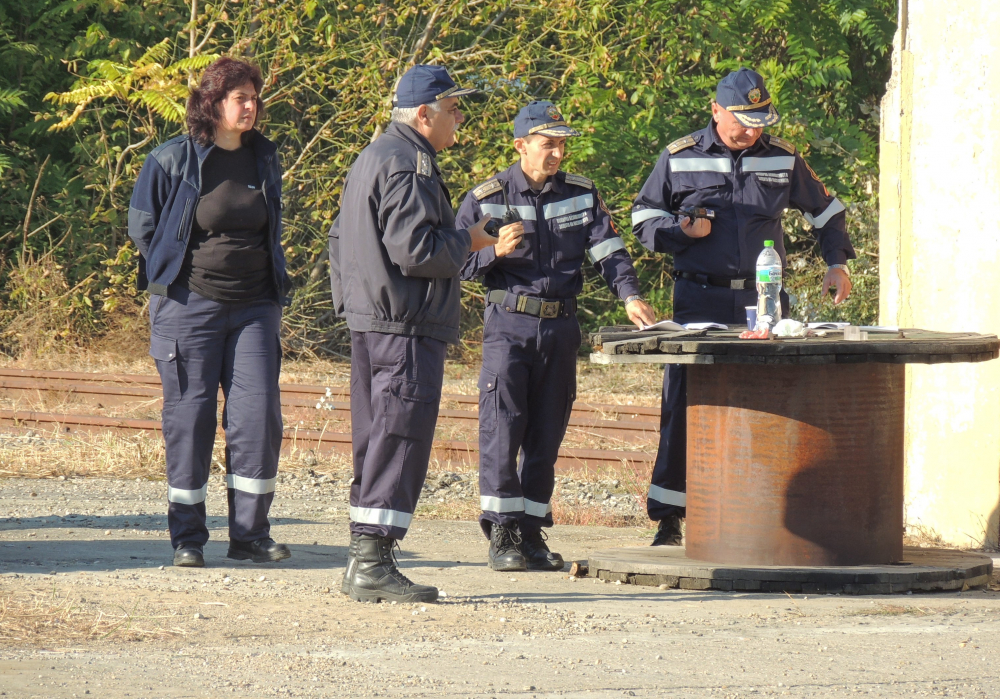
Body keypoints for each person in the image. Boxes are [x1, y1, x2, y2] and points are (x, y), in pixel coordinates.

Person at [631, 67, 856, 545]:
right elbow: (643, 218)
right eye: (742, 120)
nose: (753, 130)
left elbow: (829, 213)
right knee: (687, 402)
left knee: (770, 403)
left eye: (760, 120)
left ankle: (765, 514)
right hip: (698, 298)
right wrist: (680, 232)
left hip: (764, 299)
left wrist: (836, 263)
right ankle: (670, 518)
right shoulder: (678, 157)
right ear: (716, 111)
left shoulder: (783, 158)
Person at [455, 101, 657, 572]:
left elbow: (609, 248)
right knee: (503, 430)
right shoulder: (488, 197)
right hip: (510, 325)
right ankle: (502, 533)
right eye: (548, 144)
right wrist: (493, 255)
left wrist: (628, 295)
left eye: (562, 144)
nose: (558, 154)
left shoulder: (581, 194)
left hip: (561, 327)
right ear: (521, 145)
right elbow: (456, 261)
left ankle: (530, 532)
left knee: (546, 435)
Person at [328, 65, 497, 603]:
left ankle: (367, 557)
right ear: (423, 115)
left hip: (376, 320)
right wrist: (469, 240)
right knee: (398, 438)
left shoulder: (374, 155)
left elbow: (338, 240)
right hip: (403, 325)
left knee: (377, 438)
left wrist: (354, 307)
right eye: (453, 108)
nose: (460, 118)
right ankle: (373, 559)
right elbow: (415, 249)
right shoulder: (410, 162)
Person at [128, 57, 293, 568]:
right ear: (213, 104)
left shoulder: (265, 158)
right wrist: (175, 271)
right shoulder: (172, 160)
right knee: (190, 417)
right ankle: (188, 538)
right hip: (188, 307)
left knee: (257, 417)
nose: (251, 106)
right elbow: (143, 228)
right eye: (240, 98)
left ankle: (249, 535)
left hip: (255, 308)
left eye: (255, 97)